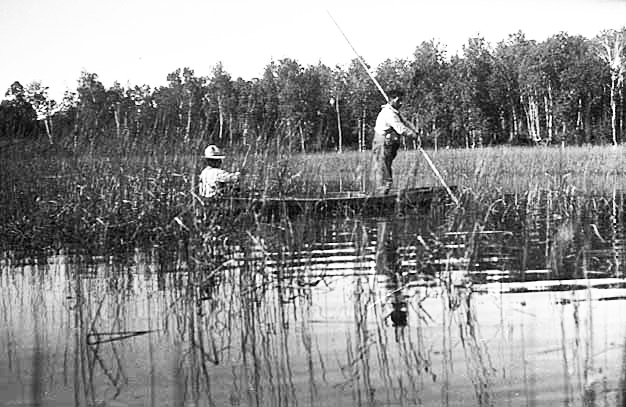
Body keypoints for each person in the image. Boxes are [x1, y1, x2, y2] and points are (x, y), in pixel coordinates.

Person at [370, 89, 418, 195]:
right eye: (398, 100)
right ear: (391, 100)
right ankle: (382, 190)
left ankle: (384, 190)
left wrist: (415, 131)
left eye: (401, 101)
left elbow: (405, 122)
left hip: (389, 142)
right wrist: (413, 135)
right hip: (382, 142)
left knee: (385, 165)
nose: (401, 103)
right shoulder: (389, 113)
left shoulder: (395, 112)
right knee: (382, 165)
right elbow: (400, 128)